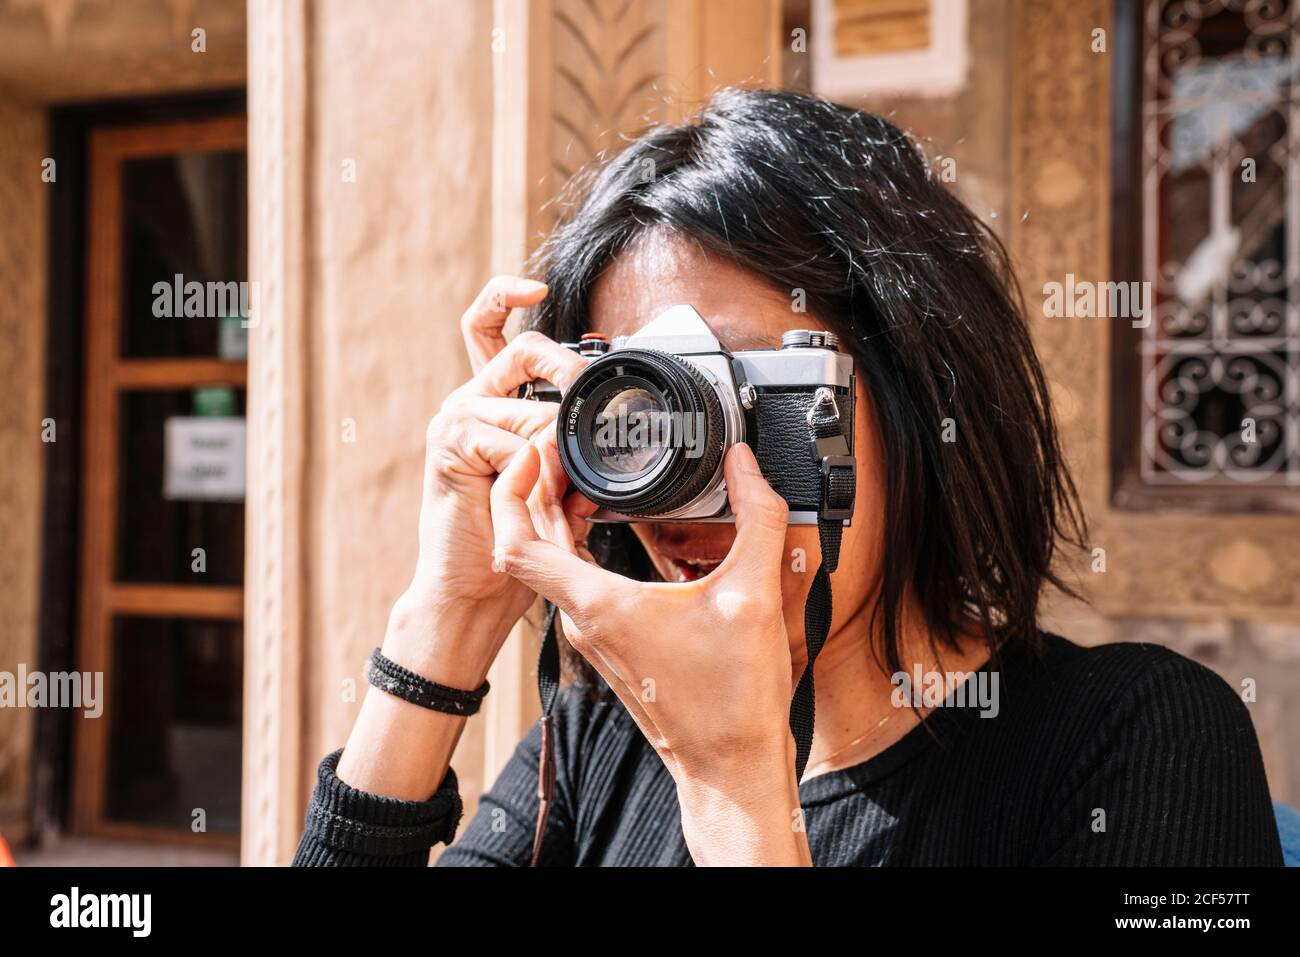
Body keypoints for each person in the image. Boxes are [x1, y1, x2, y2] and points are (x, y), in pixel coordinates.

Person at [293, 89, 1282, 867]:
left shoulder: (1135, 738)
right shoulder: (608, 728)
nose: (679, 473)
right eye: (630, 409)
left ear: (916, 392)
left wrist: (731, 785)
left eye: (745, 396)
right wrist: (448, 619)